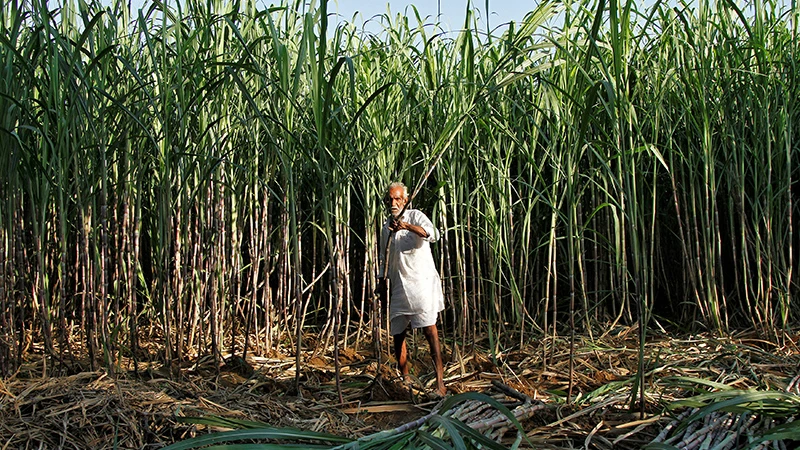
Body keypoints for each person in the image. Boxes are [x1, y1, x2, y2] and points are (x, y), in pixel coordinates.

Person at [377, 181, 446, 397]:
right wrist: (381, 281)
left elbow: (433, 234)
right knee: (398, 332)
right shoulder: (386, 227)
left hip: (421, 284)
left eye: (398, 199)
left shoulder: (415, 216)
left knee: (429, 330)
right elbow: (383, 257)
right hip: (399, 284)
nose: (393, 203)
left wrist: (406, 226)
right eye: (390, 199)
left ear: (405, 200)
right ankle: (405, 379)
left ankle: (440, 384)